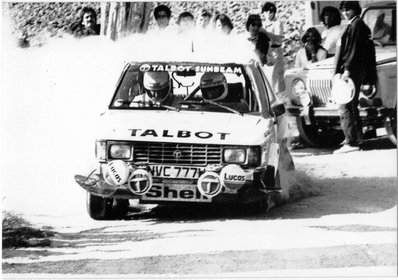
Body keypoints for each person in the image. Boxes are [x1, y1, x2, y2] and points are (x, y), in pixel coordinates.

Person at [334, 1, 377, 153]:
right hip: (356, 70)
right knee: (352, 106)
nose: (345, 12)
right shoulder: (356, 24)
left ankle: (350, 141)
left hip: (352, 71)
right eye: (343, 10)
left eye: (348, 9)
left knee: (344, 105)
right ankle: (358, 137)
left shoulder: (357, 25)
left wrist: (347, 69)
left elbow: (353, 50)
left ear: (355, 10)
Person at [261, 2, 286, 93]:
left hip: (275, 56)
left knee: (274, 84)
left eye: (271, 12)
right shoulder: (262, 25)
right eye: (266, 11)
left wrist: (265, 33)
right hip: (264, 56)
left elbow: (279, 40)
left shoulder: (278, 23)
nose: (269, 14)